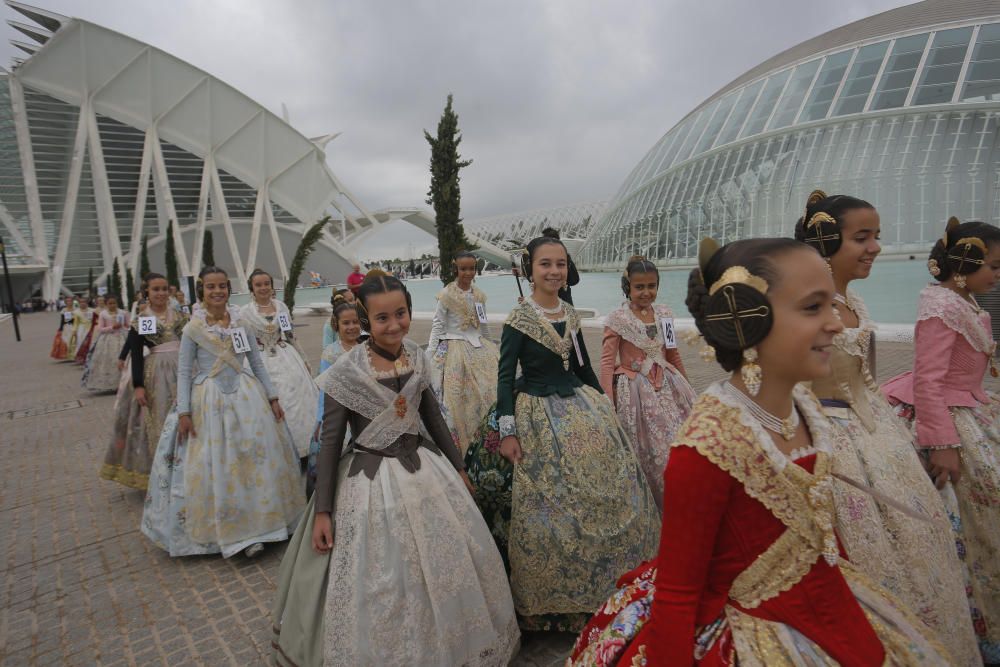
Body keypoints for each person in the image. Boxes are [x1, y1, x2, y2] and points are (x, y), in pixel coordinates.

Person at [568, 237, 949, 666]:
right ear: (747, 321)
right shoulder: (708, 443)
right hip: (757, 627)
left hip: (831, 600)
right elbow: (679, 591)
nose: (837, 324)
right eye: (812, 307)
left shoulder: (806, 407)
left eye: (831, 305)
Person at [272, 274, 519, 666]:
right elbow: (332, 443)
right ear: (366, 320)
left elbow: (433, 419)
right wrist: (323, 511)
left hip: (426, 470)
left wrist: (458, 467)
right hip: (370, 483)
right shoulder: (345, 371)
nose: (394, 325)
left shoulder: (418, 356)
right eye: (382, 317)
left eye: (401, 313)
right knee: (385, 576)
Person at [794, 190, 977, 664]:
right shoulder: (802, 305)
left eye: (877, 236)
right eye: (862, 237)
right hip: (831, 447)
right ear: (825, 241)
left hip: (875, 436)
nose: (876, 247)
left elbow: (864, 377)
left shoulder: (852, 300)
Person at [491, 235, 659, 632]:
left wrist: (604, 404)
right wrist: (508, 432)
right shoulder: (518, 320)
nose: (554, 271)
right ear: (529, 269)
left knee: (611, 482)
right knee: (555, 497)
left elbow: (582, 366)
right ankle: (557, 601)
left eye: (560, 264)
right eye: (545, 264)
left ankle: (611, 580)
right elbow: (503, 379)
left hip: (580, 405)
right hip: (537, 412)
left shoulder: (569, 312)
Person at [884, 218, 1000, 663]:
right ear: (964, 263)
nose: (997, 273)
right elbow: (928, 380)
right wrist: (941, 442)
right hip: (950, 423)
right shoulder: (939, 305)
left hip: (973, 410)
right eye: (992, 264)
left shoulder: (967, 302)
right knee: (967, 516)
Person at [141, 266, 303, 559]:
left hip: (247, 397)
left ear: (229, 289)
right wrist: (185, 411)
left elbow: (255, 361)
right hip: (209, 401)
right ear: (202, 290)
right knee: (219, 465)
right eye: (211, 287)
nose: (217, 292)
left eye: (222, 287)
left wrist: (272, 396)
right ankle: (232, 532)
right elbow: (184, 371)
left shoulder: (241, 323)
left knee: (254, 460)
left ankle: (262, 526)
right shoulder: (193, 328)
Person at [600, 255, 696, 509]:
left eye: (651, 286)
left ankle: (684, 496)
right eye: (639, 287)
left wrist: (687, 385)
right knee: (653, 451)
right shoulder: (617, 319)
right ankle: (655, 502)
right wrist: (607, 399)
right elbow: (607, 363)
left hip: (669, 385)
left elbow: (672, 353)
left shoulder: (664, 314)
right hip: (636, 392)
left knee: (681, 442)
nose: (646, 292)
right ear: (627, 287)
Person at [100, 274, 188, 490]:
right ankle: (162, 473)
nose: (160, 293)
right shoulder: (144, 319)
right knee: (159, 421)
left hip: (183, 370)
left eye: (164, 289)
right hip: (156, 374)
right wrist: (138, 385)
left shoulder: (180, 316)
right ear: (146, 292)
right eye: (155, 289)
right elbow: (137, 353)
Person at [240, 268, 319, 465]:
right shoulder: (244, 313)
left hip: (285, 356)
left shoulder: (281, 307)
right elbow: (241, 344)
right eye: (258, 285)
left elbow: (291, 335)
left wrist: (304, 360)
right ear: (252, 288)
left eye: (266, 284)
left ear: (271, 286)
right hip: (259, 361)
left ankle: (303, 449)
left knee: (297, 401)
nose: (263, 288)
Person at [427, 251, 499, 454]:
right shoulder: (447, 295)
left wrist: (491, 345)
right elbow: (438, 325)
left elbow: (483, 325)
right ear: (456, 269)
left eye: (472, 268)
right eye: (463, 268)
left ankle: (485, 437)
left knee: (487, 389)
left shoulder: (479, 295)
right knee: (455, 396)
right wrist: (430, 354)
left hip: (478, 346)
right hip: (453, 347)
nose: (468, 273)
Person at [306, 296, 362, 497]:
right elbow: (325, 390)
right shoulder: (330, 354)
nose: (351, 327)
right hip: (339, 412)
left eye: (355, 322)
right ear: (336, 326)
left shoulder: (368, 349)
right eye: (346, 323)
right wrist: (322, 419)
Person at [82, 295, 129, 392]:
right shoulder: (103, 314)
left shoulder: (123, 312)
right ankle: (111, 383)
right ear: (106, 304)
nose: (112, 305)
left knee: (125, 359)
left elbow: (128, 325)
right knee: (110, 360)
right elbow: (100, 328)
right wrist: (112, 327)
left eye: (114, 303)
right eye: (110, 303)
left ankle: (125, 383)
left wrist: (123, 328)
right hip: (108, 340)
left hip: (122, 338)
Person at [541, 227, 580, 304]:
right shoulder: (565, 257)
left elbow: (574, 280)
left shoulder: (565, 258)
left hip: (562, 302)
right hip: (551, 301)